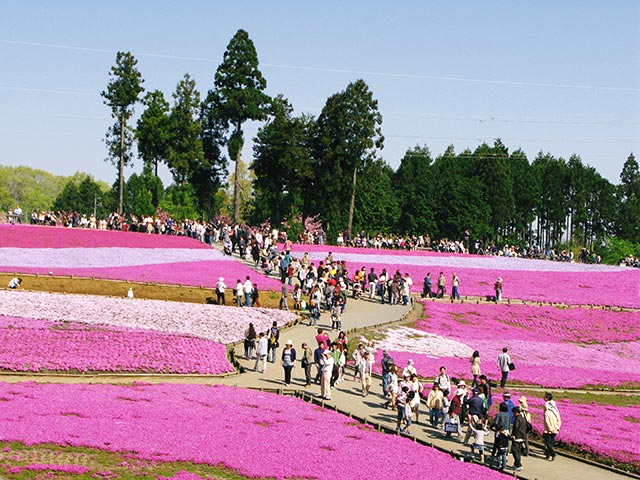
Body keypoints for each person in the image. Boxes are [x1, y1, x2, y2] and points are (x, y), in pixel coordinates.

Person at [543, 392, 562, 461]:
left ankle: (553, 453)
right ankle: (548, 455)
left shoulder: (547, 412)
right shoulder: (556, 411)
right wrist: (557, 427)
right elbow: (559, 420)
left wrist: (550, 429)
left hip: (549, 430)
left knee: (548, 443)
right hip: (555, 429)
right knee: (550, 443)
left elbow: (547, 422)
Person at [511, 406, 527, 471]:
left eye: (513, 413)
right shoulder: (523, 418)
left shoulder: (517, 419)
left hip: (517, 437)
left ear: (516, 413)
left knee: (514, 450)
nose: (513, 414)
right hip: (522, 436)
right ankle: (516, 464)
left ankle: (518, 464)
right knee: (518, 451)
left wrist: (513, 435)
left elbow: (516, 428)